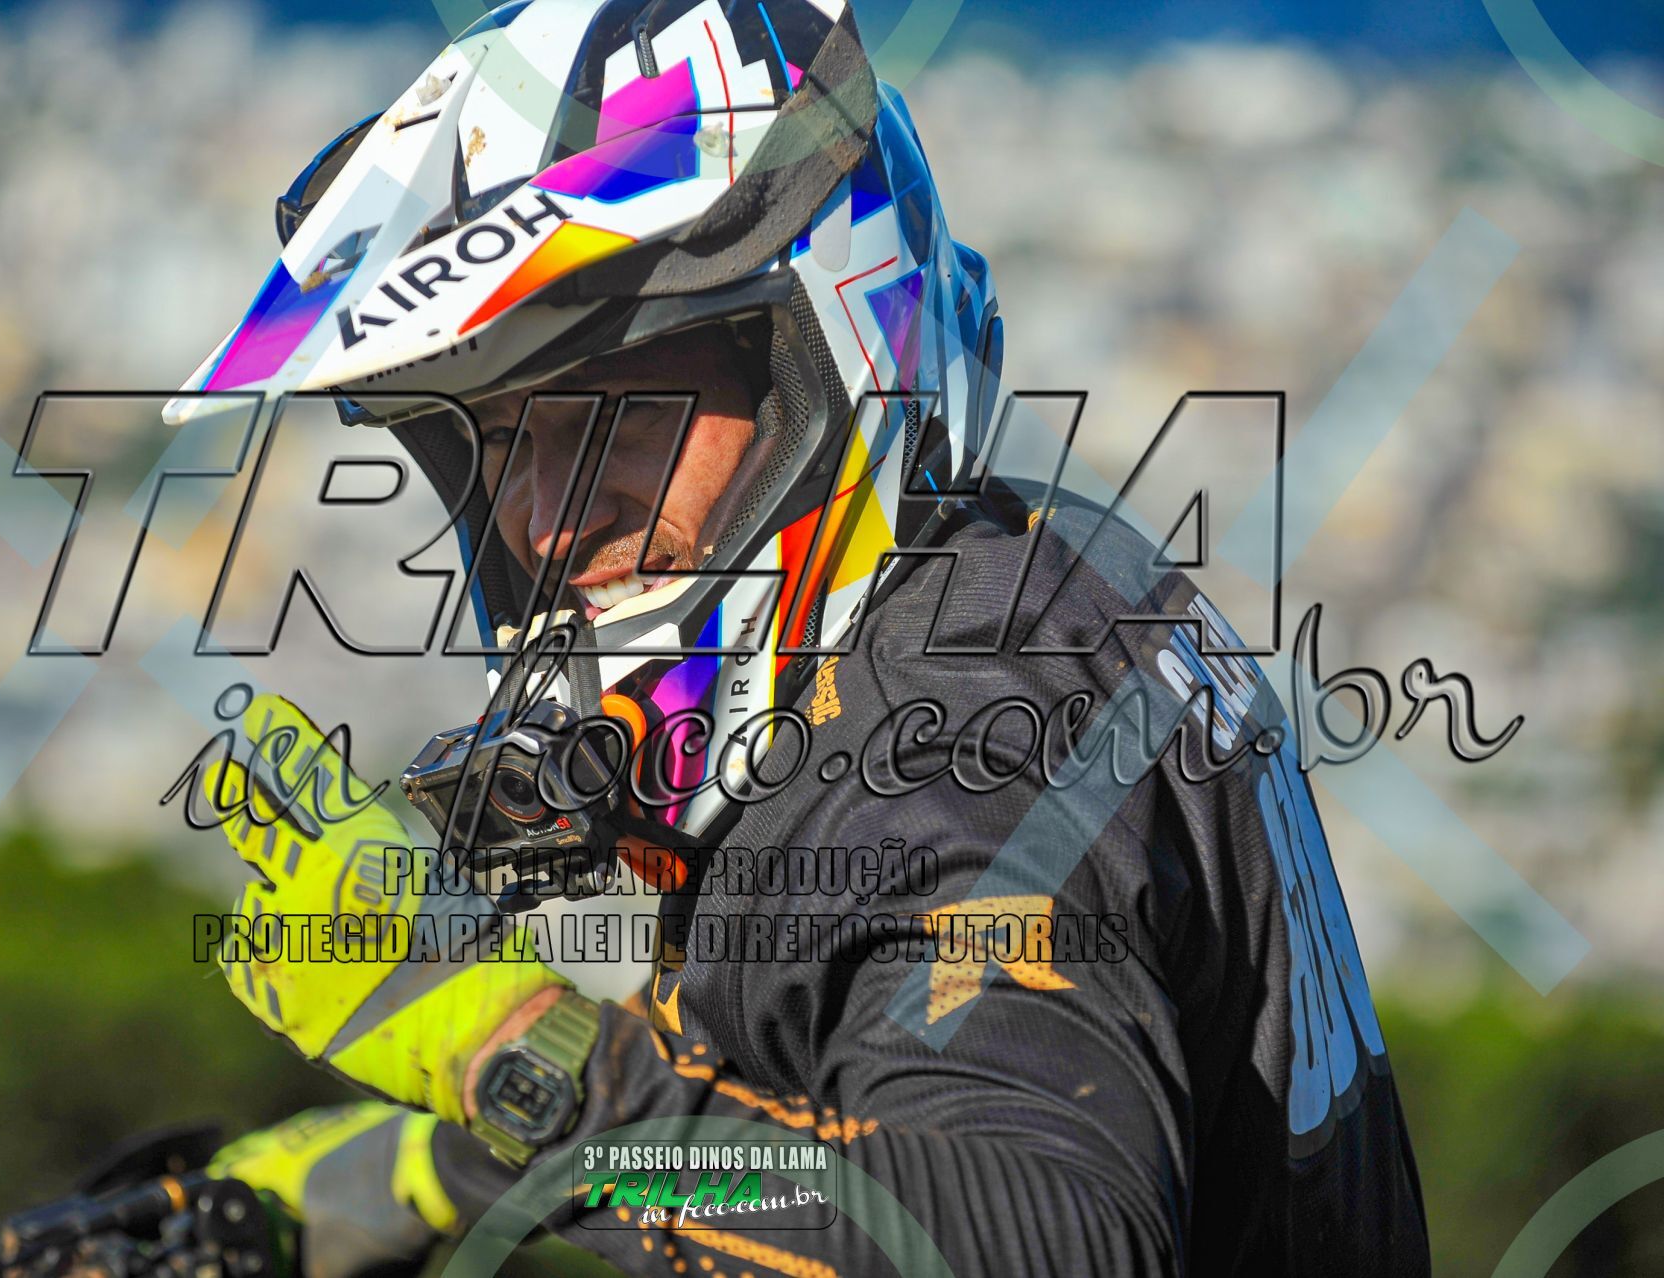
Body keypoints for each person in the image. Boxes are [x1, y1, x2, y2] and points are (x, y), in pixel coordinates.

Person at [182, 0, 1431, 1273]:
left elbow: (1045, 1239)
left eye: (621, 414)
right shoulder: (1001, 592)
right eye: (502, 440)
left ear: (821, 362)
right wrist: (417, 1174)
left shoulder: (952, 744)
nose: (548, 519)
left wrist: (513, 1060)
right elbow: (833, 1121)